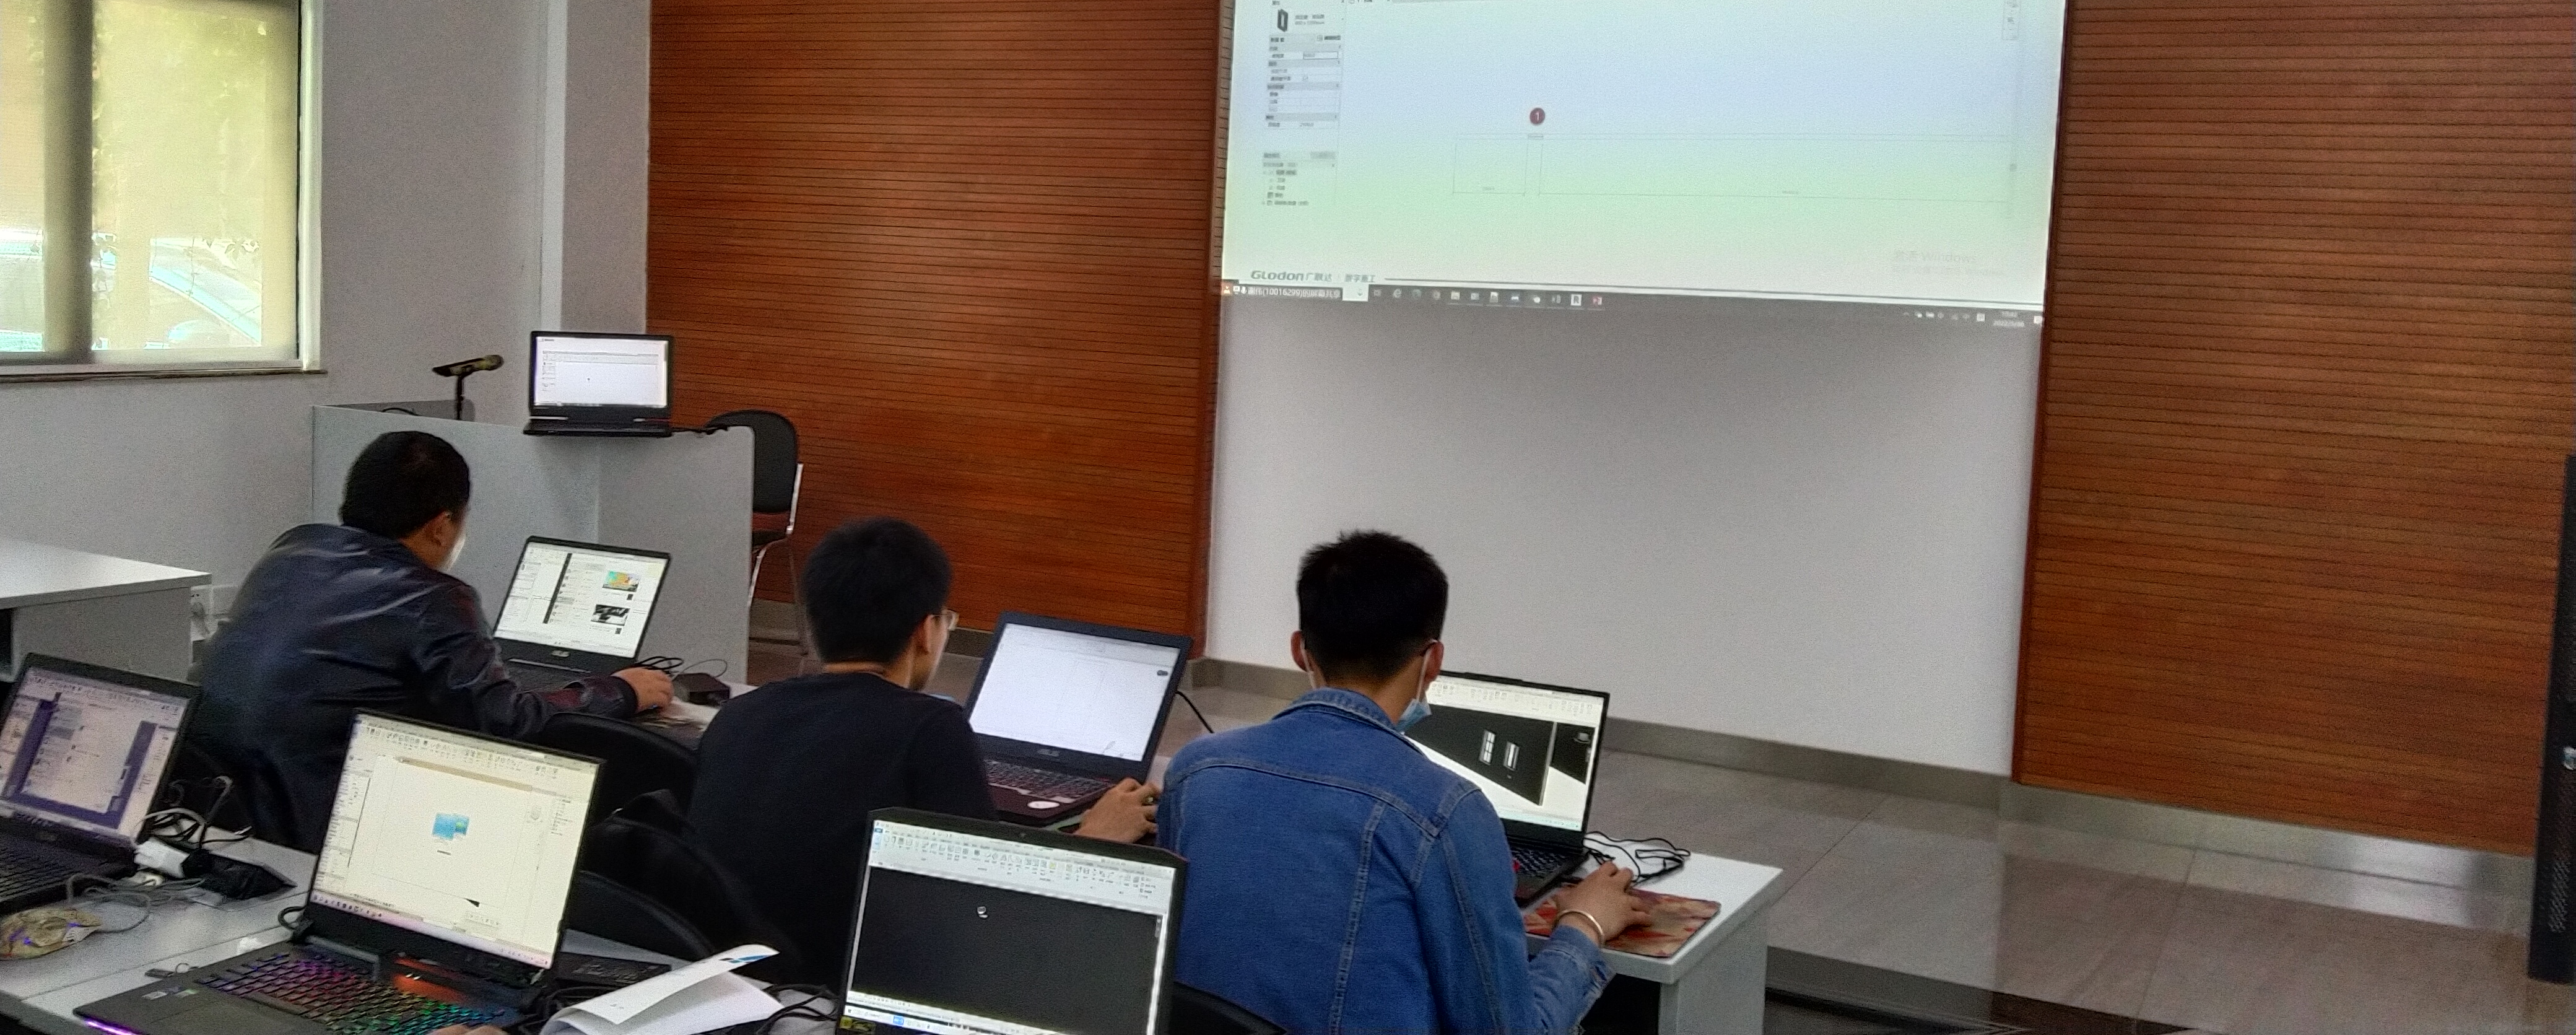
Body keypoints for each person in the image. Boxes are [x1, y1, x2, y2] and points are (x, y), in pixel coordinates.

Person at [1157, 531, 1648, 1033]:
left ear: (1300, 650)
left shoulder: (1194, 771)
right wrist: (1583, 925)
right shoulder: (1445, 809)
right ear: (1433, 660)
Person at [689, 517, 1154, 976]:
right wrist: (1095, 838)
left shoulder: (740, 714)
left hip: (727, 974)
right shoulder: (931, 728)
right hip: (841, 985)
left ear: (813, 625)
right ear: (925, 631)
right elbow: (987, 902)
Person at [195, 431, 672, 851]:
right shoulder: (432, 596)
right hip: (320, 827)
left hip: (216, 813)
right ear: (442, 526)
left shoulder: (291, 550)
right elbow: (505, 722)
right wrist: (620, 690)